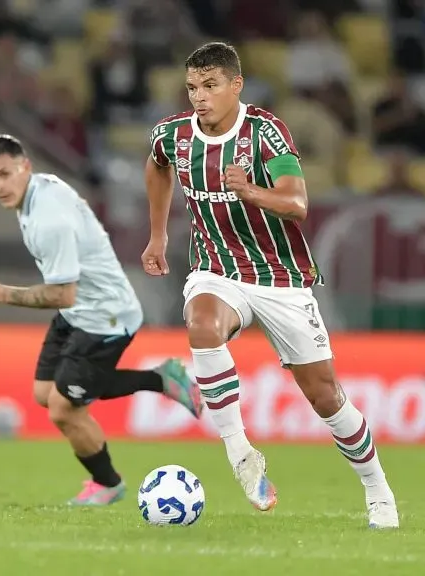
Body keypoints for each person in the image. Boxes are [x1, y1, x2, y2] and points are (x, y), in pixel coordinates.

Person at [140, 42, 399, 529]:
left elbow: (297, 202)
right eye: (193, 87)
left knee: (325, 396)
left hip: (280, 277)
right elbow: (156, 165)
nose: (200, 97)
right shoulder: (171, 136)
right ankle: (240, 452)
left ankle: (377, 489)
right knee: (201, 325)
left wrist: (250, 190)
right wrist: (158, 234)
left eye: (211, 85)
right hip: (216, 269)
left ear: (236, 85)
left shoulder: (265, 132)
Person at [0, 135, 203, 506]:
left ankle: (108, 484)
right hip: (80, 312)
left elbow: (62, 294)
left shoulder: (47, 221)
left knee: (63, 408)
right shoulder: (40, 191)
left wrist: (1, 293)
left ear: (25, 167)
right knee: (46, 393)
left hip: (104, 318)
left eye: (5, 174)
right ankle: (161, 379)